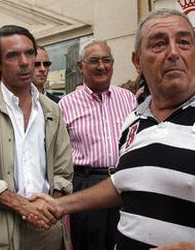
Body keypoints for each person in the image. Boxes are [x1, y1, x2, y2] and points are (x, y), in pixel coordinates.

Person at [30, 8, 195, 249]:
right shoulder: (134, 120)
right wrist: (61, 205)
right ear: (137, 62)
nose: (174, 52)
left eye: (184, 42)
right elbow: (124, 181)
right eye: (159, 44)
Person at [0, 25, 73, 250]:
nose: (25, 61)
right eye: (13, 55)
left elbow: (63, 167)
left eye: (29, 53)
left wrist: (49, 207)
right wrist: (23, 206)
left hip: (46, 229)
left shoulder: (52, 111)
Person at [58, 40, 137, 250]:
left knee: (124, 242)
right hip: (86, 183)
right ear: (81, 66)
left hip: (123, 183)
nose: (101, 66)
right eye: (93, 61)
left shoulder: (128, 99)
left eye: (107, 60)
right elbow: (57, 153)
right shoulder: (66, 104)